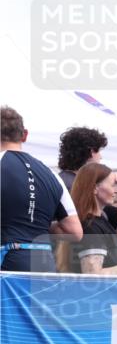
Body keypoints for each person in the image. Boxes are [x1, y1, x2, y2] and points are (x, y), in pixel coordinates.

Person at [1, 106, 82, 272]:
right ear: (25, 135)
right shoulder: (52, 174)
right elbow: (75, 232)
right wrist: (38, 224)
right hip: (44, 264)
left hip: (7, 264)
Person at [57, 126, 107, 192]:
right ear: (91, 152)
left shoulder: (60, 179)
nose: (101, 157)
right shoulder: (76, 186)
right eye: (99, 151)